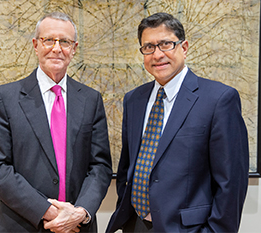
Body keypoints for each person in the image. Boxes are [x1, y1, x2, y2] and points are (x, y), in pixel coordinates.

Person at [106, 12, 249, 233]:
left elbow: (231, 184)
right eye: (149, 47)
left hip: (188, 229)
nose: (157, 54)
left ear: (184, 47)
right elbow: (128, 167)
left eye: (166, 44)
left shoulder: (219, 99)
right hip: (136, 225)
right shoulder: (134, 100)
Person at [0, 12, 112, 233]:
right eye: (48, 40)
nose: (57, 48)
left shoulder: (91, 100)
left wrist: (79, 212)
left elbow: (100, 166)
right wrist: (49, 211)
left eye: (65, 42)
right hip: (23, 224)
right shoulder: (4, 98)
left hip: (78, 227)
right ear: (35, 44)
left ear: (74, 48)